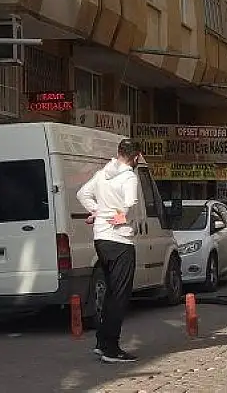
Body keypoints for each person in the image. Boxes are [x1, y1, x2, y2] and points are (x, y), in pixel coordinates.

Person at [76, 139, 141, 363]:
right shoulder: (130, 176)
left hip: (101, 239)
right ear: (136, 157)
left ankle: (101, 342)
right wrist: (120, 217)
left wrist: (98, 212)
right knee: (119, 295)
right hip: (121, 240)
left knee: (110, 292)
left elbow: (82, 194)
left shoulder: (102, 173)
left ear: (118, 152)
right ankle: (111, 348)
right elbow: (131, 204)